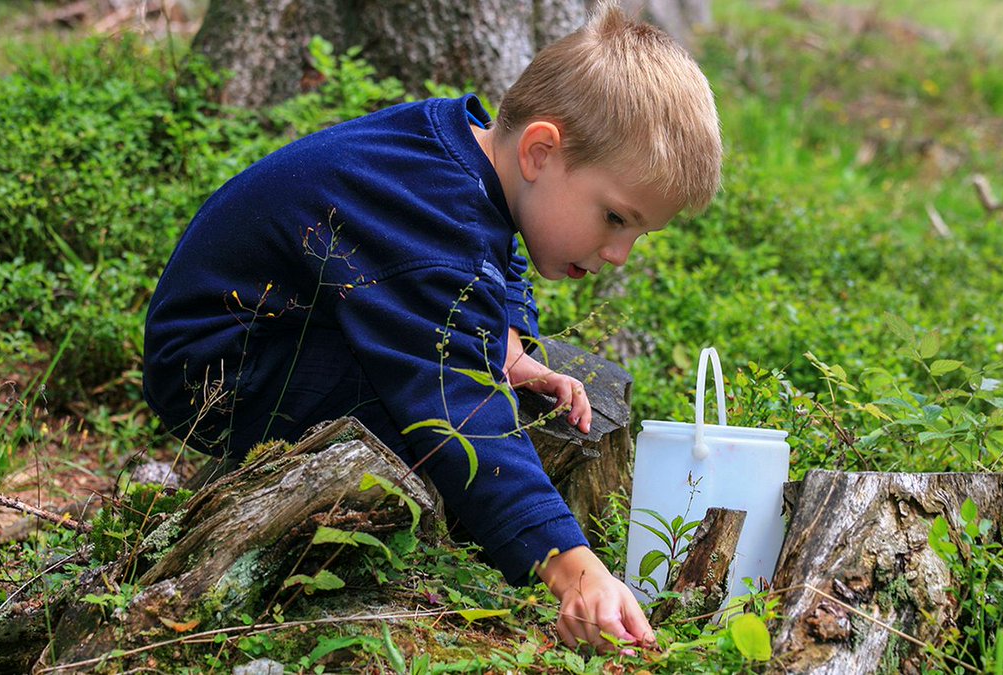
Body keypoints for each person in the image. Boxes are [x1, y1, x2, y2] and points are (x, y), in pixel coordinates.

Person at [143, 1, 720, 652]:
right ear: (540, 151)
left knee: (468, 381)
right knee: (432, 430)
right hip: (221, 367)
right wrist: (570, 565)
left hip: (285, 327)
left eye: (638, 232)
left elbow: (494, 249)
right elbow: (460, 409)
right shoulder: (434, 217)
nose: (619, 253)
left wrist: (509, 346)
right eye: (616, 218)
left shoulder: (462, 150)